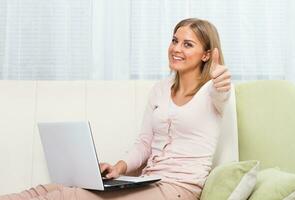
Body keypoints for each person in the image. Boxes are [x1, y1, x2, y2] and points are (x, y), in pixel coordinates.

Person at [0, 18, 231, 200]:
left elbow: (222, 92)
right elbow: (144, 144)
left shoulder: (212, 92)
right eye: (174, 40)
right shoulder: (160, 89)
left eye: (187, 44)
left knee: (70, 197)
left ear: (206, 55)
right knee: (48, 189)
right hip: (148, 181)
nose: (176, 48)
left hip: (179, 189)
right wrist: (118, 168)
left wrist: (220, 81)